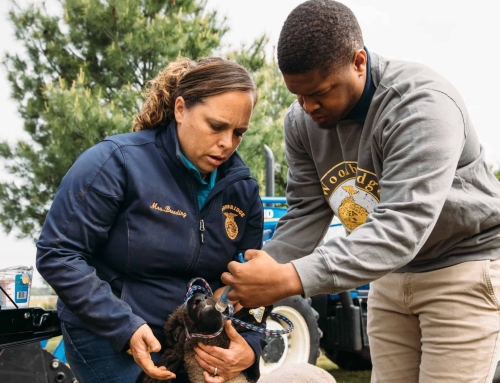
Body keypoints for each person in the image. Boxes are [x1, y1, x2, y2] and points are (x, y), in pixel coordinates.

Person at [222, 1, 500, 382]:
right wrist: (256, 279)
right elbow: (305, 213)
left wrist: (289, 279)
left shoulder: (419, 105)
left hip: (461, 268)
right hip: (389, 273)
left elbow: (402, 225)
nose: (308, 107)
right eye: (298, 95)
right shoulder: (301, 121)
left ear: (358, 61)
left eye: (319, 93)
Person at [36, 57, 266, 383]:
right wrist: (124, 325)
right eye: (216, 126)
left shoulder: (243, 191)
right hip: (108, 332)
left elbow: (257, 288)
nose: (227, 144)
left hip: (194, 335)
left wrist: (251, 346)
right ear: (181, 109)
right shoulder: (114, 163)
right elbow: (58, 254)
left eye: (239, 133)